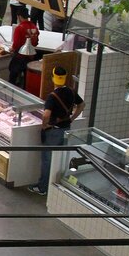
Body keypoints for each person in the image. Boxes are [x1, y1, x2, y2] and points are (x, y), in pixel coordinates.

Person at [30, 66, 85, 195]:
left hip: (53, 131)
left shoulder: (52, 96)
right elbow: (82, 105)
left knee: (47, 159)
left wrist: (44, 126)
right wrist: (72, 118)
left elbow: (46, 115)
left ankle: (43, 187)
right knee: (60, 159)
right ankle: (57, 185)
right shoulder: (71, 92)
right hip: (66, 129)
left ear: (53, 78)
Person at [8, 6, 39, 87]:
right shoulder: (34, 27)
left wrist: (11, 49)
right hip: (31, 57)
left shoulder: (19, 28)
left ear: (19, 16)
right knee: (26, 80)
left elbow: (16, 45)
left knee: (12, 77)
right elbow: (36, 43)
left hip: (20, 57)